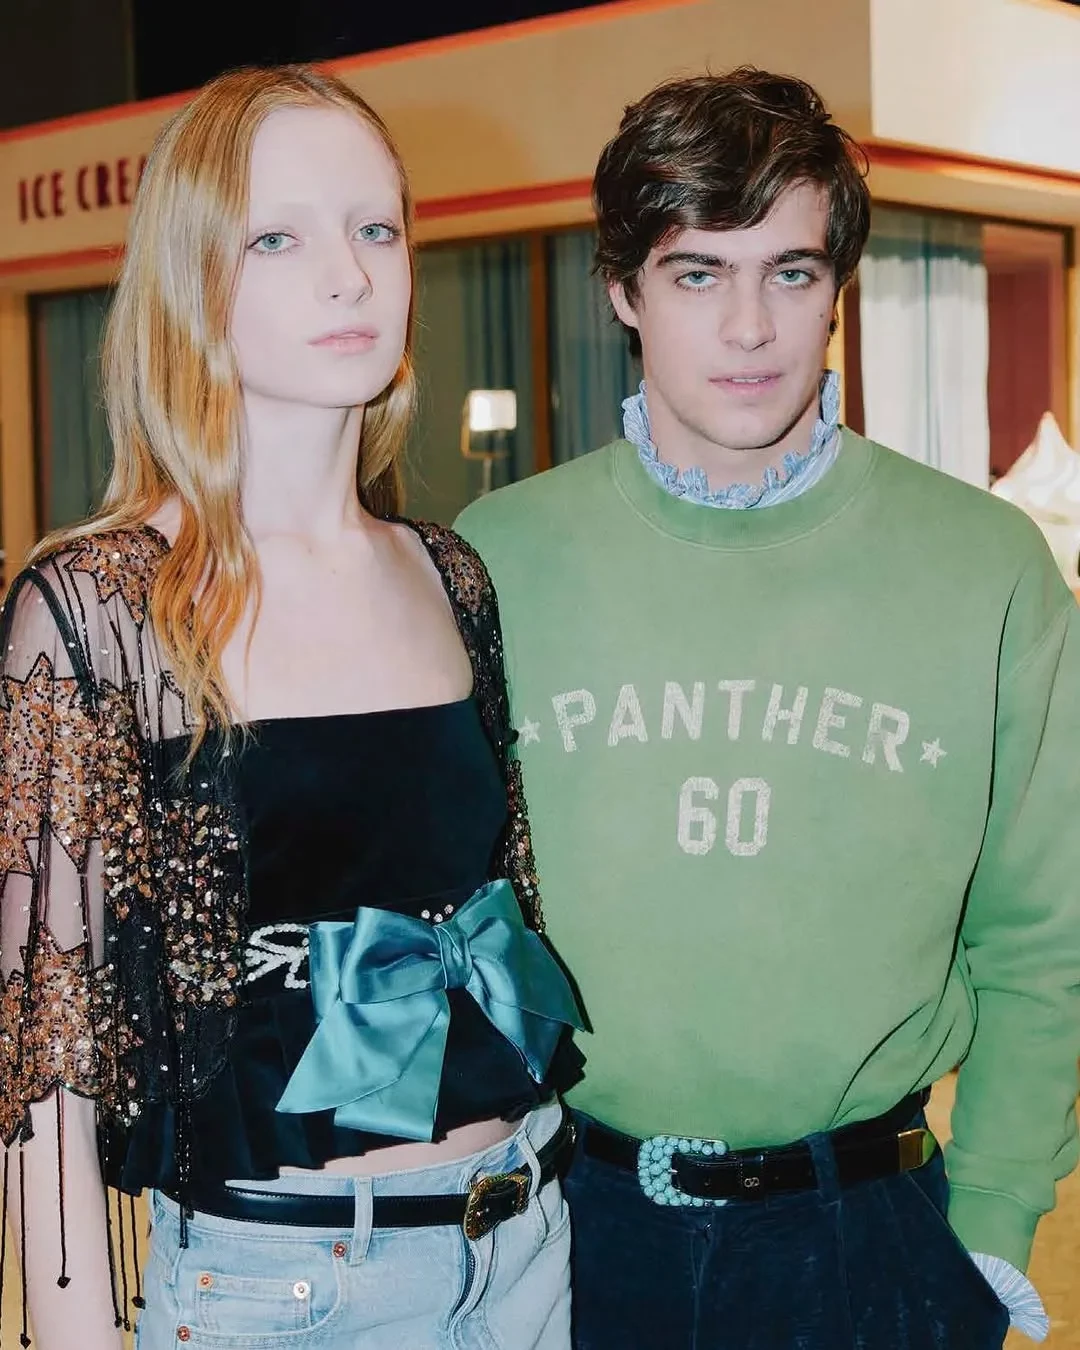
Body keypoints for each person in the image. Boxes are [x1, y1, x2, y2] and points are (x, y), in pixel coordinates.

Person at [456, 68, 1080, 1349]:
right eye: (698, 274)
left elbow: (1043, 935)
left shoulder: (987, 566)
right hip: (572, 1232)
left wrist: (992, 1223)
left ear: (836, 288)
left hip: (873, 1239)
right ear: (624, 290)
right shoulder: (495, 557)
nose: (749, 327)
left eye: (790, 273)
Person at [0, 64, 582, 1350]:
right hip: (290, 1288)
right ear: (191, 277)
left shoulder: (447, 575)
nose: (349, 277)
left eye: (376, 229)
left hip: (528, 1238)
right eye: (279, 237)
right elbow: (48, 1054)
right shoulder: (100, 606)